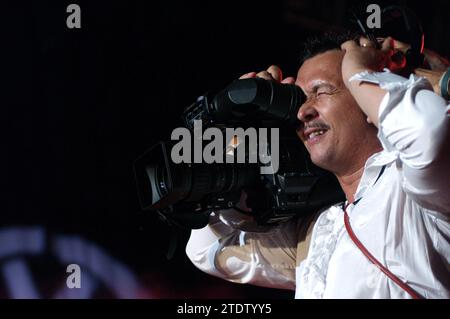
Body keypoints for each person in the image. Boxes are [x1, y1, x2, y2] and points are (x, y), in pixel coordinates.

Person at [185, 31, 450, 299]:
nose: (303, 112)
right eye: (300, 99)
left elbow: (428, 131)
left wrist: (359, 70)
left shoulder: (417, 187)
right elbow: (208, 251)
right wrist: (235, 142)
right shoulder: (320, 231)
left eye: (321, 91)